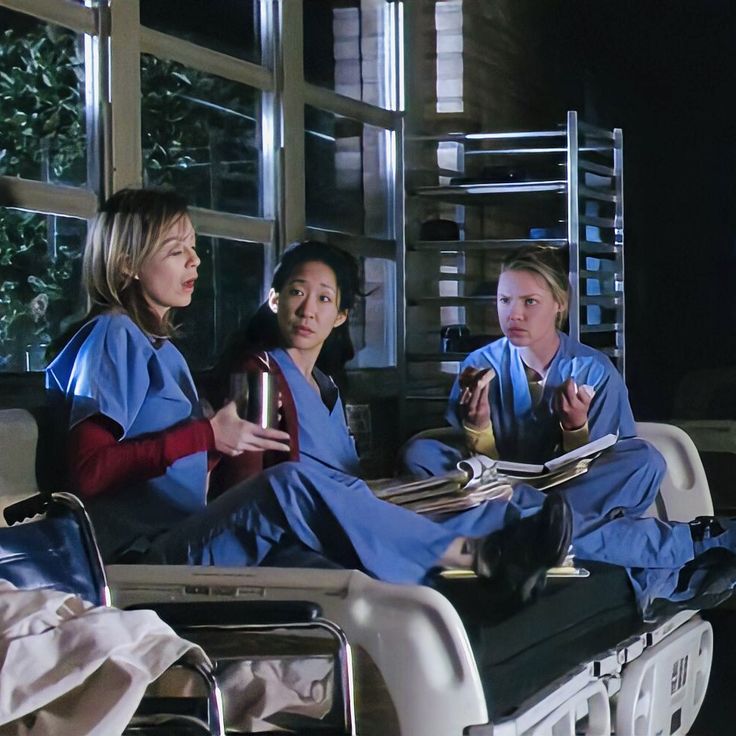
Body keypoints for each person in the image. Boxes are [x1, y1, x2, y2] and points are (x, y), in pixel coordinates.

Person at [46, 191, 572, 604]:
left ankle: (482, 592)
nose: (195, 262)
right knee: (294, 484)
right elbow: (87, 473)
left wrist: (213, 444)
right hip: (137, 560)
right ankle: (479, 558)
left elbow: (171, 466)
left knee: (358, 565)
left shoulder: (162, 350)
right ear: (126, 266)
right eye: (175, 251)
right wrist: (207, 434)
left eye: (193, 247)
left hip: (187, 534)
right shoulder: (113, 337)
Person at [400, 246, 736, 613]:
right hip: (499, 490)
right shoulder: (479, 366)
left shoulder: (593, 370)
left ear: (559, 304)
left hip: (574, 494)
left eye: (530, 301)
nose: (513, 313)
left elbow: (602, 462)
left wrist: (575, 428)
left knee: (644, 460)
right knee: (422, 453)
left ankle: (522, 530)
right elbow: (481, 466)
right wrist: (478, 427)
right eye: (504, 299)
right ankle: (681, 550)